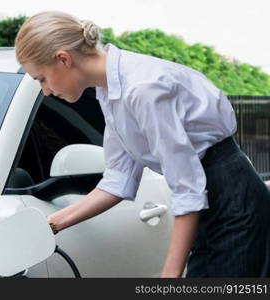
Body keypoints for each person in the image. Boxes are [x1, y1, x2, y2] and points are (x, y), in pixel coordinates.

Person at [15, 11, 270, 277]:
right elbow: (119, 179)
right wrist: (51, 224)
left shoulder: (142, 89)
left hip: (234, 201)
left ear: (63, 59)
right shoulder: (110, 91)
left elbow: (187, 189)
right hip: (215, 201)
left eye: (41, 78)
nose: (45, 90)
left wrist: (169, 274)